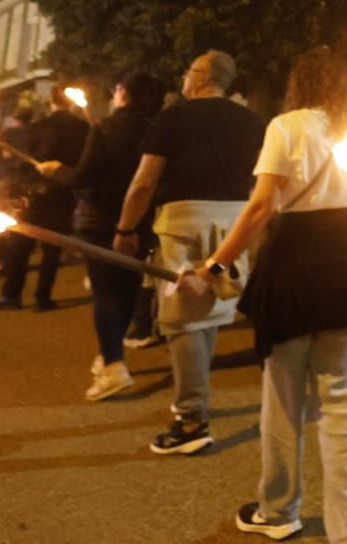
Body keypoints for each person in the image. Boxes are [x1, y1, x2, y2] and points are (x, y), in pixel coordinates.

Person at [195, 46, 347, 542]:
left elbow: (262, 207)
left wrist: (216, 263)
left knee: (282, 402)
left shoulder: (286, 126)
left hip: (292, 271)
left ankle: (278, 511)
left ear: (299, 84)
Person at [114, 50, 263, 456]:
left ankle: (192, 419)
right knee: (210, 309)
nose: (182, 78)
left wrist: (125, 227)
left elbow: (144, 183)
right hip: (235, 223)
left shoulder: (173, 118)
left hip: (184, 224)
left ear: (199, 76)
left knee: (180, 319)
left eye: (187, 72)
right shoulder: (253, 123)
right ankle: (194, 402)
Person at [36, 73, 167, 401]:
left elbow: (83, 177)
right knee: (127, 289)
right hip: (140, 223)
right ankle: (109, 353)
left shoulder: (105, 128)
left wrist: (56, 171)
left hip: (101, 222)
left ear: (122, 92)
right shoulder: (158, 131)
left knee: (106, 292)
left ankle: (113, 366)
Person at [0, 89, 88, 311]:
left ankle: (12, 295)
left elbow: (27, 162)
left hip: (35, 194)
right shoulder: (84, 128)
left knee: (20, 245)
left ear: (51, 101)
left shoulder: (39, 127)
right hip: (65, 193)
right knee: (52, 249)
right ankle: (42, 298)